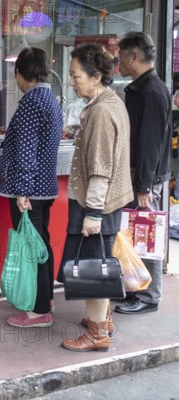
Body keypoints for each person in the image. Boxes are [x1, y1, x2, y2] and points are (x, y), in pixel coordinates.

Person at [59, 44, 133, 352]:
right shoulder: (110, 102)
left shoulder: (101, 111)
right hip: (106, 202)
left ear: (96, 76)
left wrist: (92, 214)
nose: (72, 81)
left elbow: (101, 169)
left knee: (93, 269)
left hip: (97, 203)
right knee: (99, 263)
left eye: (76, 76)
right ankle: (101, 320)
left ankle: (98, 333)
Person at [0, 48, 63, 328]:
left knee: (30, 248)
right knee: (41, 245)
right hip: (45, 187)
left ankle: (38, 313)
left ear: (20, 74)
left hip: (30, 190)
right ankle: (45, 299)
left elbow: (25, 150)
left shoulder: (30, 102)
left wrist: (22, 192)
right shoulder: (50, 99)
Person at [114, 32, 172, 315]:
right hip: (137, 177)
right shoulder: (140, 87)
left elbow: (151, 142)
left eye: (121, 56)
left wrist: (144, 185)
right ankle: (134, 288)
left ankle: (148, 296)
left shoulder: (153, 90)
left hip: (146, 179)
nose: (118, 62)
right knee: (133, 235)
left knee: (148, 237)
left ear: (133, 56)